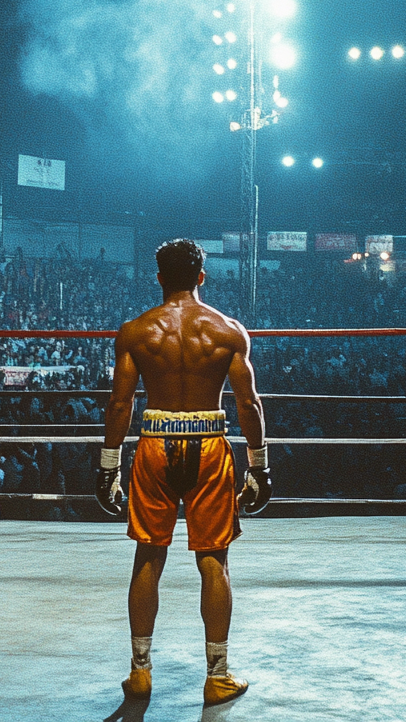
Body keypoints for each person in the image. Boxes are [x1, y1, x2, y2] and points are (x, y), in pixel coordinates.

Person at [97, 238, 270, 706]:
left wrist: (108, 466)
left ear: (158, 278)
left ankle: (140, 674)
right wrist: (260, 465)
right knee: (214, 559)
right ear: (201, 276)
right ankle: (217, 676)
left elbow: (120, 403)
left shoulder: (136, 331)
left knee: (148, 557)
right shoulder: (227, 330)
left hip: (154, 444)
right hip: (210, 445)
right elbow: (248, 402)